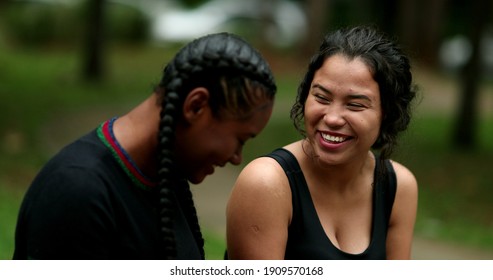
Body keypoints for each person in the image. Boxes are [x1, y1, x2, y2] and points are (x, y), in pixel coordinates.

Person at [13, 32, 277, 260]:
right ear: (196, 106)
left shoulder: (167, 174)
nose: (237, 158)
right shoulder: (77, 192)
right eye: (240, 139)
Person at [226, 26, 418, 260]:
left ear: (387, 113)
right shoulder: (267, 184)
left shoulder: (398, 187)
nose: (333, 118)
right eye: (321, 97)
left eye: (355, 105)